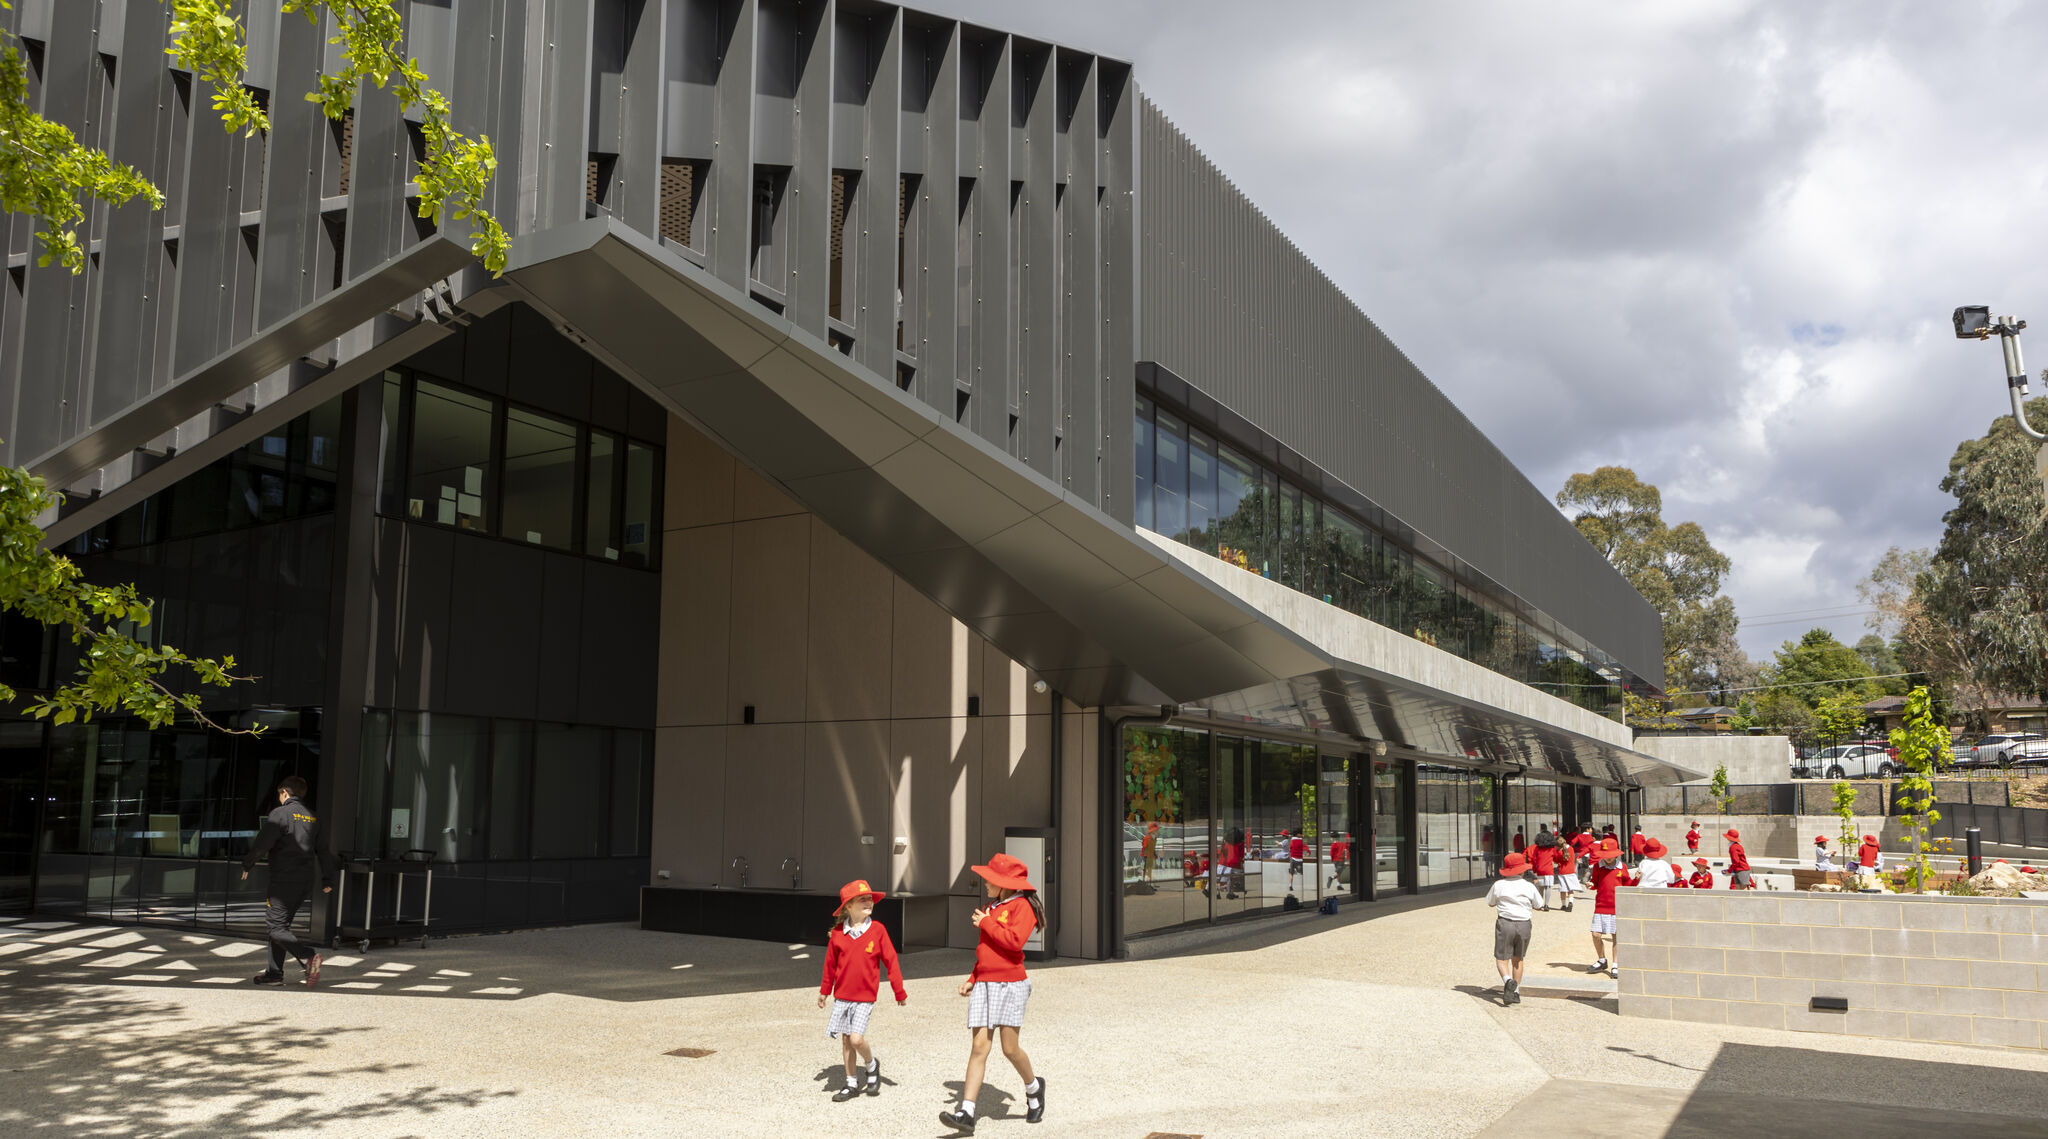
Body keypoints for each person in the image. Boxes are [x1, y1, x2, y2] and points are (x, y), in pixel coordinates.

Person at [941, 853, 1047, 1133]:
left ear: (1005, 884)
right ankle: (966, 1112)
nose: (985, 883)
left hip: (1011, 984)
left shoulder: (1022, 907)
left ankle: (1034, 1088)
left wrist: (987, 923)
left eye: (989, 879)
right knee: (978, 1047)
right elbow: (987, 951)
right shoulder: (992, 906)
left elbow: (1013, 943)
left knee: (1010, 1049)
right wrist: (973, 978)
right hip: (985, 984)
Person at [239, 776, 333, 988]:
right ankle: (274, 974)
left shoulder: (280, 813)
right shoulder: (313, 818)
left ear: (284, 792)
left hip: (283, 881)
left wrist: (247, 864)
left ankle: (308, 957)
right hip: (305, 881)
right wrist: (328, 878)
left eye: (279, 794)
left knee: (274, 927)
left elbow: (263, 843)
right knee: (281, 926)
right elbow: (324, 852)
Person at [818, 880, 907, 1101]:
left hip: (865, 997)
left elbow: (891, 961)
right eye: (862, 899)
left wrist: (899, 991)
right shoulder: (838, 934)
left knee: (857, 1039)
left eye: (870, 898)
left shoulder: (878, 930)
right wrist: (824, 991)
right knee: (846, 1040)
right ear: (848, 906)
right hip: (842, 996)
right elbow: (830, 965)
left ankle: (871, 1064)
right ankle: (851, 1084)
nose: (869, 902)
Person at [1485, 852, 1547, 1005]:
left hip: (1505, 922)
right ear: (1523, 870)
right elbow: (1539, 905)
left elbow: (1490, 903)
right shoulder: (1528, 886)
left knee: (1501, 957)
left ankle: (1507, 981)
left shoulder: (1498, 885)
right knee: (1518, 959)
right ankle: (1516, 991)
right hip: (1524, 923)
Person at [1587, 837, 1631, 979]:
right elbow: (1596, 883)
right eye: (1606, 856)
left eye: (1611, 856)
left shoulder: (1621, 867)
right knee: (1595, 934)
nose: (1608, 859)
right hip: (1601, 904)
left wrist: (1636, 879)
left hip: (1617, 906)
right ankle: (1602, 959)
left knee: (1615, 936)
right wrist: (1590, 885)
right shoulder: (1597, 866)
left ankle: (1615, 964)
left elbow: (1628, 884)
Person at [1554, 832, 1580, 912]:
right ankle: (1571, 902)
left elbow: (1555, 861)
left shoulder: (1559, 852)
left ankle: (1563, 905)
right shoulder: (1571, 849)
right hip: (1571, 871)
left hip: (1562, 872)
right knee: (1570, 889)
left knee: (1563, 889)